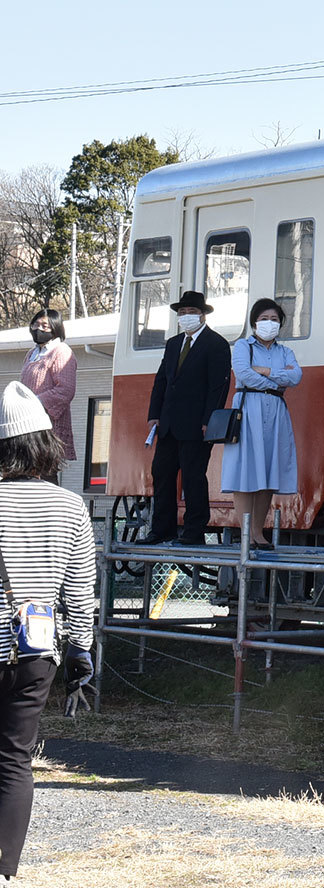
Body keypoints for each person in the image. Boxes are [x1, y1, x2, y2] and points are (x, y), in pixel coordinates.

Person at [0, 382, 96, 882]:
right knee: (15, 760)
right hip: (36, 651)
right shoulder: (70, 507)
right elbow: (80, 592)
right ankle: (5, 869)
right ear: (44, 443)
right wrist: (81, 651)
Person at [142, 289, 231, 545]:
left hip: (197, 424)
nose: (186, 316)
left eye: (192, 312)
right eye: (182, 313)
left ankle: (194, 531)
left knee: (193, 477)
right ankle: (161, 529)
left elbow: (218, 386)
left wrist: (209, 420)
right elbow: (161, 381)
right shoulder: (173, 344)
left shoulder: (216, 344)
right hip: (169, 423)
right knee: (162, 474)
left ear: (203, 315)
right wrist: (154, 414)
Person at [220, 298, 302, 548]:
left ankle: (258, 532)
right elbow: (243, 374)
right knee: (246, 470)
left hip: (275, 413)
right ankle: (246, 533)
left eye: (274, 319)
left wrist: (265, 371)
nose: (269, 323)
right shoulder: (244, 346)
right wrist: (276, 381)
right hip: (249, 409)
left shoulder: (286, 351)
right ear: (254, 322)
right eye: (264, 319)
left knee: (268, 471)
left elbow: (296, 376)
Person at [18, 309, 76, 465]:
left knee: (45, 474)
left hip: (48, 428)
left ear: (55, 328)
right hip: (27, 425)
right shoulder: (31, 353)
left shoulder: (61, 351)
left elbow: (65, 390)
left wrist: (34, 402)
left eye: (45, 325)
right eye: (36, 324)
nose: (39, 329)